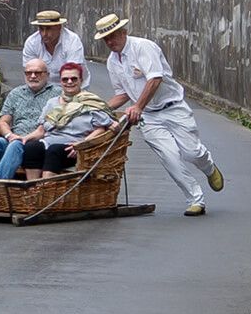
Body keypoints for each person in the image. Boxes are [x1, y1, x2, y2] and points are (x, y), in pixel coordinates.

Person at [94, 13, 224, 217]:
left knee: (192, 153)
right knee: (170, 157)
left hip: (173, 107)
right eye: (106, 39)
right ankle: (195, 199)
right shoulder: (112, 62)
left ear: (123, 32)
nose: (110, 42)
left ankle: (208, 167)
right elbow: (123, 94)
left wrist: (137, 106)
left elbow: (155, 79)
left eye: (113, 36)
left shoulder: (143, 47)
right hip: (149, 117)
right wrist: (99, 108)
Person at [0, 59, 61, 179]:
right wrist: (10, 135)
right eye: (28, 73)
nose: (32, 76)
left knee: (16, 145)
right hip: (13, 141)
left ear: (47, 74)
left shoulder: (57, 94)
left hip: (36, 147)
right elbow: (2, 122)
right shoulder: (16, 93)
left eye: (38, 73)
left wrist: (21, 139)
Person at [21, 62, 116, 179]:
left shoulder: (90, 103)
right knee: (31, 147)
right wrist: (24, 138)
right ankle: (33, 185)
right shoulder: (52, 103)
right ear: (60, 81)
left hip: (75, 148)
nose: (69, 82)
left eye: (73, 79)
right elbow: (41, 131)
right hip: (49, 142)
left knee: (54, 150)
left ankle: (46, 186)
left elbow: (101, 129)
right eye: (65, 79)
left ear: (81, 80)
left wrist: (82, 144)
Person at [22, 10, 90, 88]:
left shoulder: (72, 40)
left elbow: (73, 73)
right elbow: (30, 71)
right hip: (44, 87)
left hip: (73, 85)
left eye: (48, 29)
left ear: (59, 27)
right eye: (41, 29)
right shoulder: (32, 42)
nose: (44, 34)